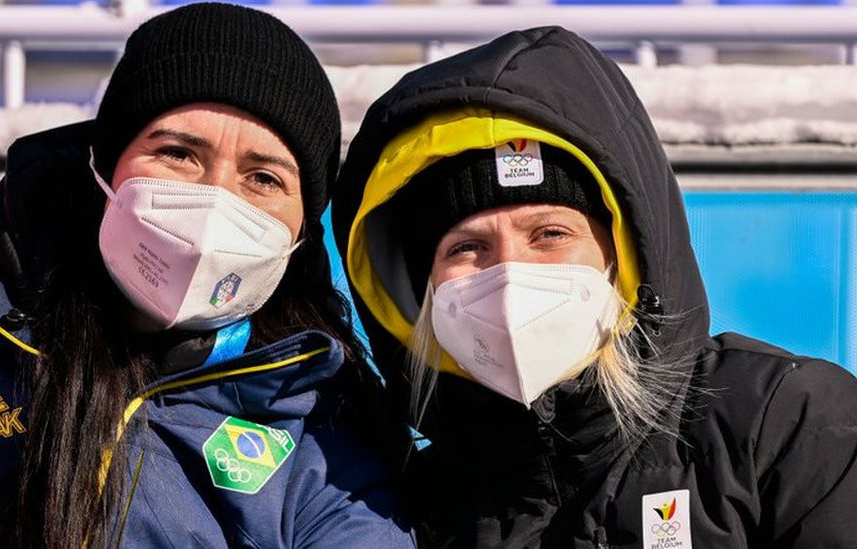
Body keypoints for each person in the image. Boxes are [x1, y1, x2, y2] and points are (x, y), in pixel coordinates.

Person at [0, 4, 414, 547]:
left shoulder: (327, 447)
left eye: (262, 178)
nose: (214, 201)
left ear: (301, 232)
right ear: (103, 170)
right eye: (177, 154)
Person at [332, 26, 857, 548]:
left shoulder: (781, 423)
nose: (509, 276)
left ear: (623, 254)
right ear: (422, 289)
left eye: (550, 234)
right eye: (467, 247)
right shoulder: (405, 504)